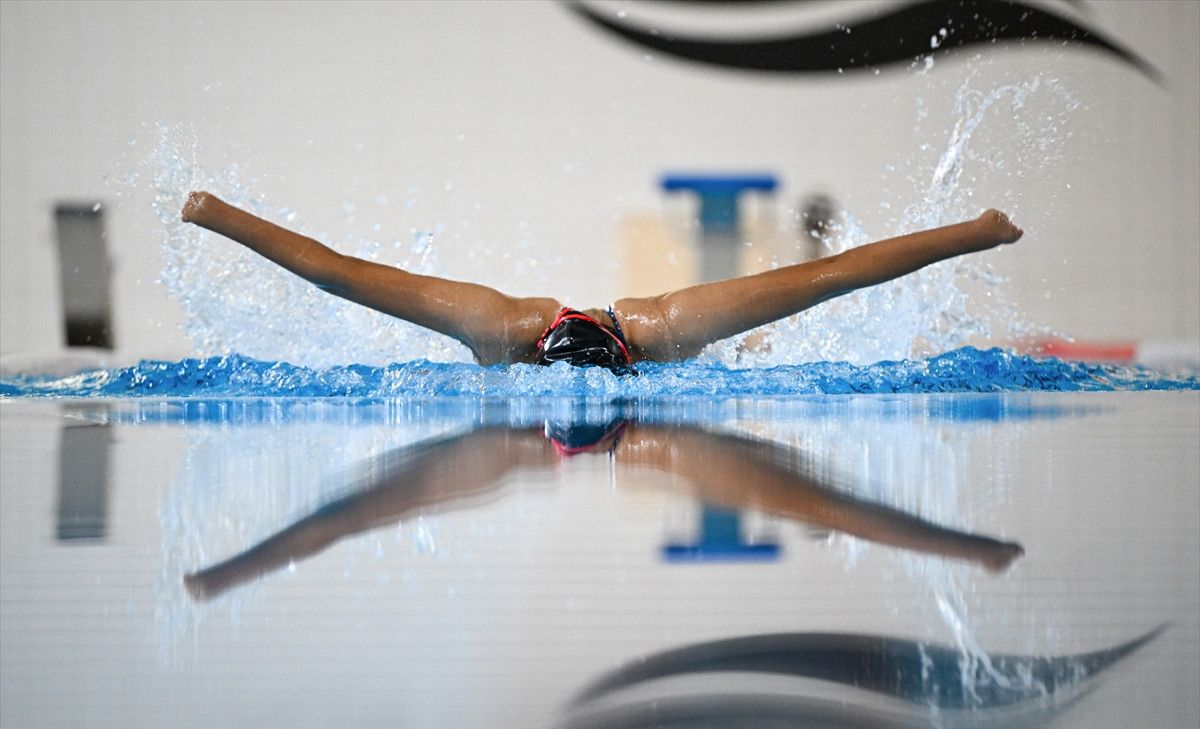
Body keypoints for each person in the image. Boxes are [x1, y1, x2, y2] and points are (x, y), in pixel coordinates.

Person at [183, 419, 1024, 600]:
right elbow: (341, 275)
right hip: (555, 431)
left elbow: (840, 275)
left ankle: (967, 552)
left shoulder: (665, 331)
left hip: (547, 433)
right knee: (822, 505)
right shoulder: (498, 329)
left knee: (822, 505)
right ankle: (965, 552)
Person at [181, 191, 1023, 372]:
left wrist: (219, 213)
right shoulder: (500, 326)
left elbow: (337, 275)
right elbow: (335, 276)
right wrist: (214, 215)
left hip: (640, 326)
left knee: (798, 308)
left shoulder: (499, 328)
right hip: (642, 331)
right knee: (790, 316)